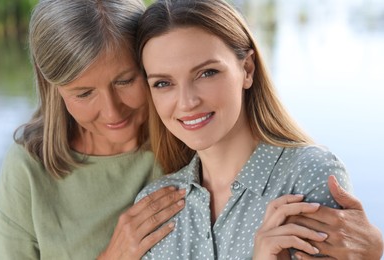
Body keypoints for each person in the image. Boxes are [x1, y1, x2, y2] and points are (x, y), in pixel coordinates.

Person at [135, 0, 383, 259]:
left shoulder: (308, 175)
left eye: (207, 73)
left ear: (247, 69)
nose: (187, 102)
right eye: (163, 83)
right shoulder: (154, 207)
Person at [0, 0, 186, 259]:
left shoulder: (189, 134)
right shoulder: (28, 168)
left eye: (125, 81)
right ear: (52, 85)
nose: (112, 111)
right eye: (84, 94)